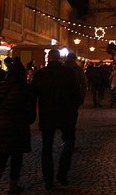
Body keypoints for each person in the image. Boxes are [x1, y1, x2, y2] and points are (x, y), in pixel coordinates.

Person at [31, 49, 80, 189]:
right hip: (66, 113)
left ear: (49, 58)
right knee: (69, 141)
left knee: (47, 147)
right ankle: (62, 173)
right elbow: (76, 92)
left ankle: (48, 179)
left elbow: (34, 93)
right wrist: (74, 109)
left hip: (48, 114)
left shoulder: (41, 73)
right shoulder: (68, 72)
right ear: (60, 58)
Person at [0, 60, 36, 195]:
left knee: (1, 155)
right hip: (18, 127)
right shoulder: (26, 89)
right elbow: (31, 113)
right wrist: (26, 121)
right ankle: (13, 187)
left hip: (0, 126)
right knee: (16, 157)